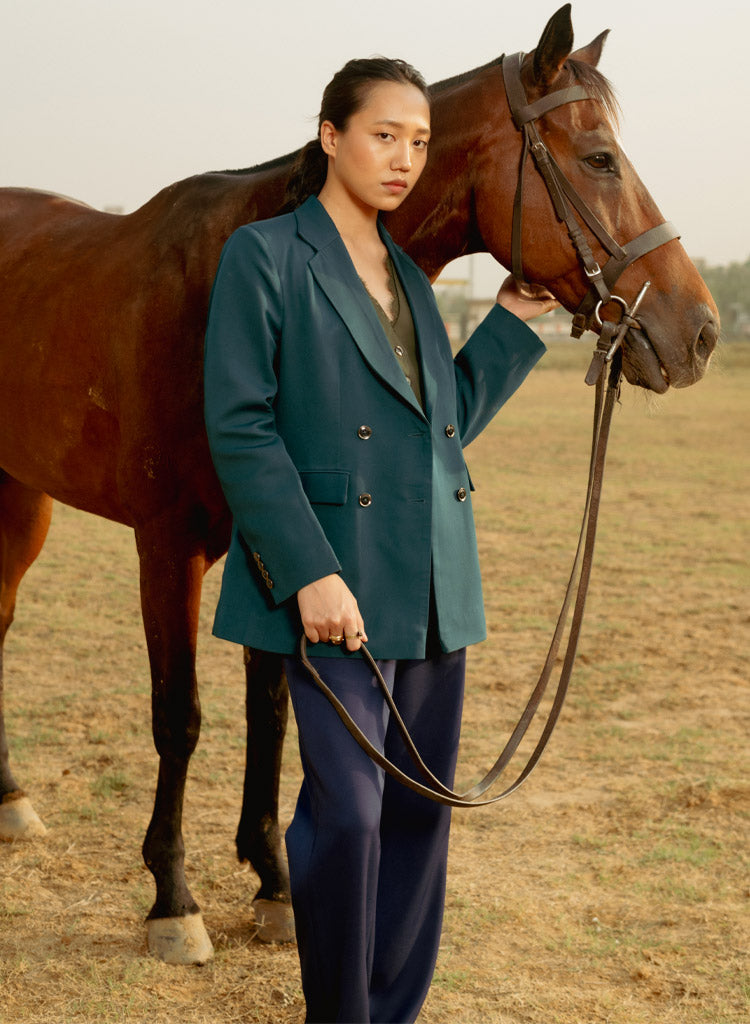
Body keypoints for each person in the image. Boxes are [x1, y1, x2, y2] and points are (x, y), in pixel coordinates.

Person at [203, 56, 556, 1024]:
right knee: (351, 815)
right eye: (384, 135)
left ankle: (390, 1012)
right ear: (331, 137)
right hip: (334, 590)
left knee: (415, 817)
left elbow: (438, 426)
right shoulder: (266, 255)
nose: (404, 158)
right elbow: (240, 426)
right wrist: (307, 572)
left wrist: (511, 323)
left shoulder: (407, 274)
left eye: (420, 141)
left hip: (432, 580)